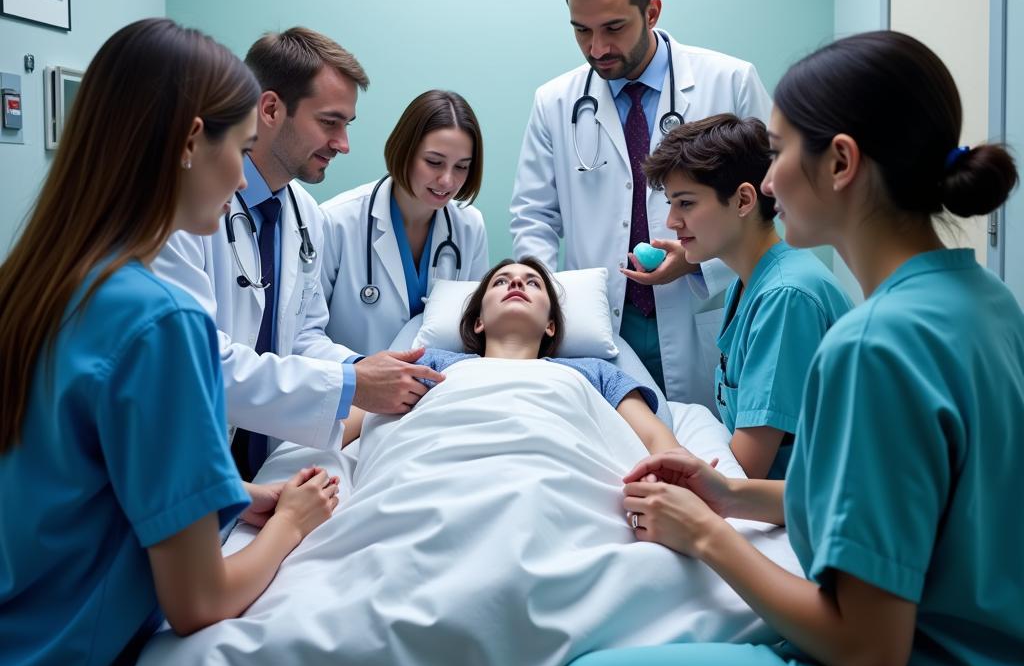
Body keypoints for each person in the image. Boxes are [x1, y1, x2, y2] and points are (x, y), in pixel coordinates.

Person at [534, 30, 1024, 666]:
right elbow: (910, 504)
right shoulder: (984, 302)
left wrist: (706, 536)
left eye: (781, 148)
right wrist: (730, 495)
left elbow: (868, 651)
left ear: (841, 162)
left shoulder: (875, 345)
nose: (767, 181)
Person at [0, 19, 339, 666]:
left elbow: (74, 478)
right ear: (191, 142)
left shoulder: (40, 281)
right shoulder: (161, 319)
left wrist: (233, 494)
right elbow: (201, 602)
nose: (245, 178)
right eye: (241, 149)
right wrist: (294, 523)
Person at [153, 28, 445, 480]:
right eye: (330, 122)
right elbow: (201, 360)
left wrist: (360, 368)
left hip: (257, 461)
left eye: (347, 124)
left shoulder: (305, 214)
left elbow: (302, 336)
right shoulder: (188, 205)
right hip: (186, 453)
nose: (343, 143)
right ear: (270, 109)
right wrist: (352, 385)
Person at [510, 0, 771, 407]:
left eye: (613, 27)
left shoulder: (729, 81)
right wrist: (551, 301)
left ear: (651, 12)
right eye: (581, 31)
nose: (597, 48)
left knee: (706, 453)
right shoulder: (554, 102)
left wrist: (696, 262)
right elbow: (533, 218)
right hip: (598, 319)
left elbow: (773, 202)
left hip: (702, 308)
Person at [634, 113, 852, 478]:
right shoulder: (749, 281)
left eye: (685, 203)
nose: (671, 221)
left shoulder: (785, 296)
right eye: (671, 204)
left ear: (743, 200)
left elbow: (745, 471)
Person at [345, 257, 679, 456]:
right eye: (501, 282)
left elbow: (654, 437)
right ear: (478, 321)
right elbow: (356, 415)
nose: (516, 282)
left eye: (533, 283)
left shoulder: (596, 372)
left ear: (550, 325)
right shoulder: (432, 362)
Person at [321, 90, 489, 356]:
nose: (447, 181)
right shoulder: (336, 221)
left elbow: (474, 327)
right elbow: (305, 333)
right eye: (434, 162)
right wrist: (358, 372)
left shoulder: (469, 226)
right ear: (405, 151)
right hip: (356, 390)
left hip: (437, 390)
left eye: (461, 167)